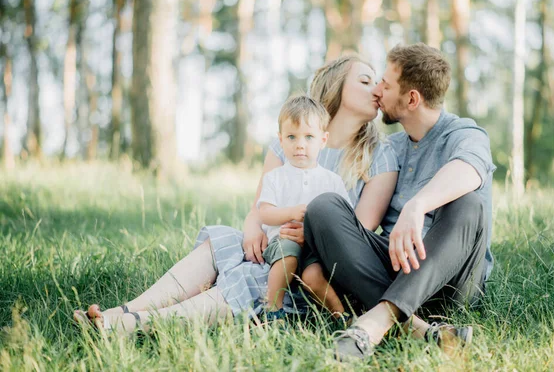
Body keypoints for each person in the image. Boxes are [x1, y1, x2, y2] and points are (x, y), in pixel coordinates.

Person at [74, 55, 399, 334]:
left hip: (316, 265)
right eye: (366, 80)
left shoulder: (378, 156)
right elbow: (258, 209)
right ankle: (125, 311)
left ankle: (131, 326)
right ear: (336, 85)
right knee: (223, 242)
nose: (377, 89)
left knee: (253, 276)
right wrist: (252, 232)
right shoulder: (288, 142)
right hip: (274, 241)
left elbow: (358, 236)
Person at [302, 43, 496, 361]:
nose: (378, 90)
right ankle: (418, 328)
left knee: (468, 204)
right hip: (392, 269)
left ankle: (377, 320)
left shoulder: (464, 133)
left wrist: (417, 205)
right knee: (324, 207)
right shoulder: (391, 147)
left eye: (386, 85)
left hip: (450, 283)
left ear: (411, 99)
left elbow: (471, 168)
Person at [257, 95, 351, 319]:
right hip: (284, 241)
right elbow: (264, 213)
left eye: (309, 137)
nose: (300, 144)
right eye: (291, 136)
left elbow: (346, 218)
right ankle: (272, 309)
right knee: (288, 254)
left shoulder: (332, 181)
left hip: (316, 248)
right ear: (281, 140)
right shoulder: (276, 178)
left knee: (314, 275)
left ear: (323, 140)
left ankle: (340, 315)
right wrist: (290, 213)